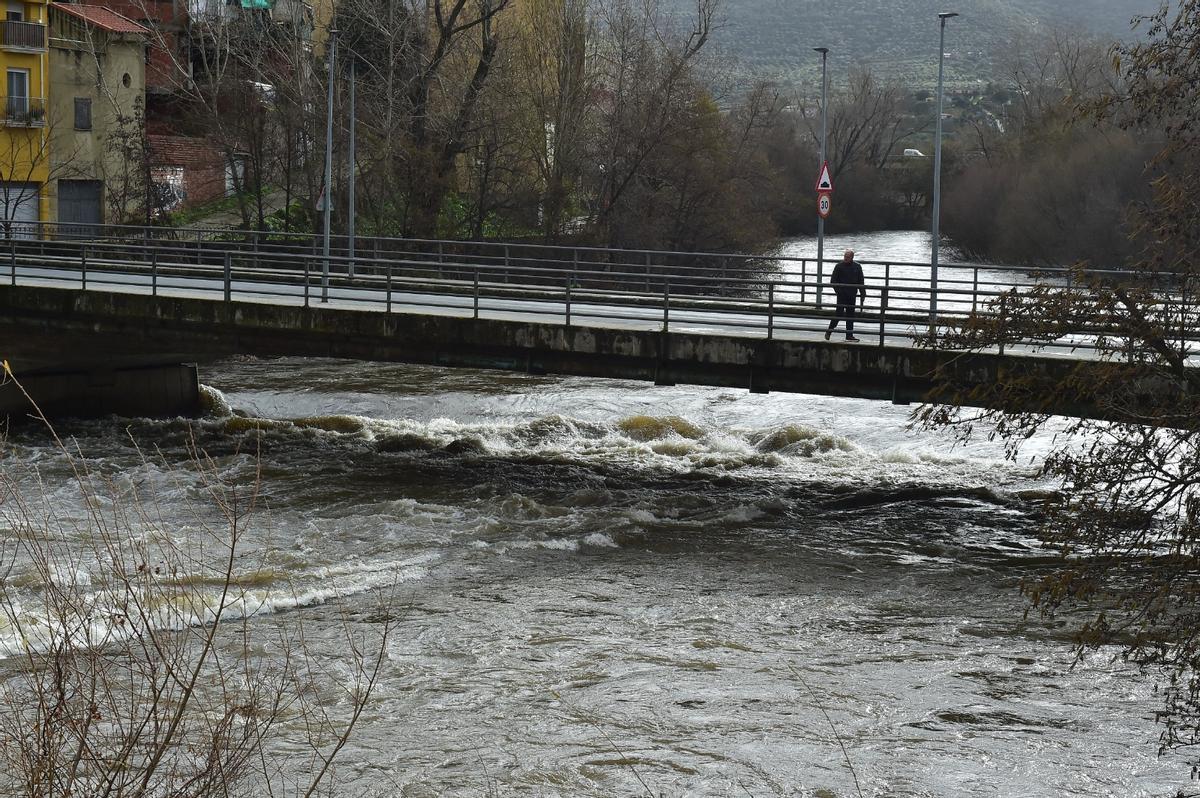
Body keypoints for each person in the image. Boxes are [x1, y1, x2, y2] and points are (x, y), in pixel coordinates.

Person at [825, 249, 866, 342]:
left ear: (852, 258)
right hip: (842, 294)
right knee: (839, 314)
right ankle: (829, 330)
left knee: (850, 315)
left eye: (848, 257)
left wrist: (863, 293)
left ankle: (849, 335)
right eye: (845, 257)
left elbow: (861, 281)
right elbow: (833, 281)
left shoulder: (857, 267)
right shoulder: (839, 266)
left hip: (852, 293)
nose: (846, 259)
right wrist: (838, 291)